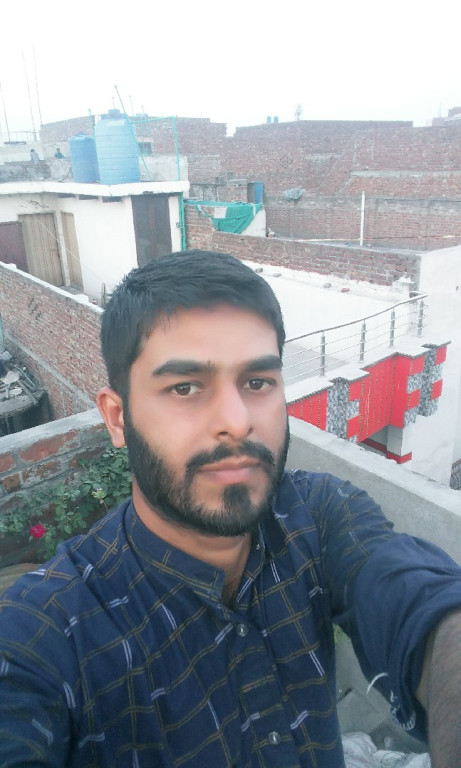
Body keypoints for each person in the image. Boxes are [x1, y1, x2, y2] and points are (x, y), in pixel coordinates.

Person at [0, 250, 460, 767]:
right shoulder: (50, 630)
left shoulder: (317, 515)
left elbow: (420, 604)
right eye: (185, 387)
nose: (238, 421)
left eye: (257, 382)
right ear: (117, 417)